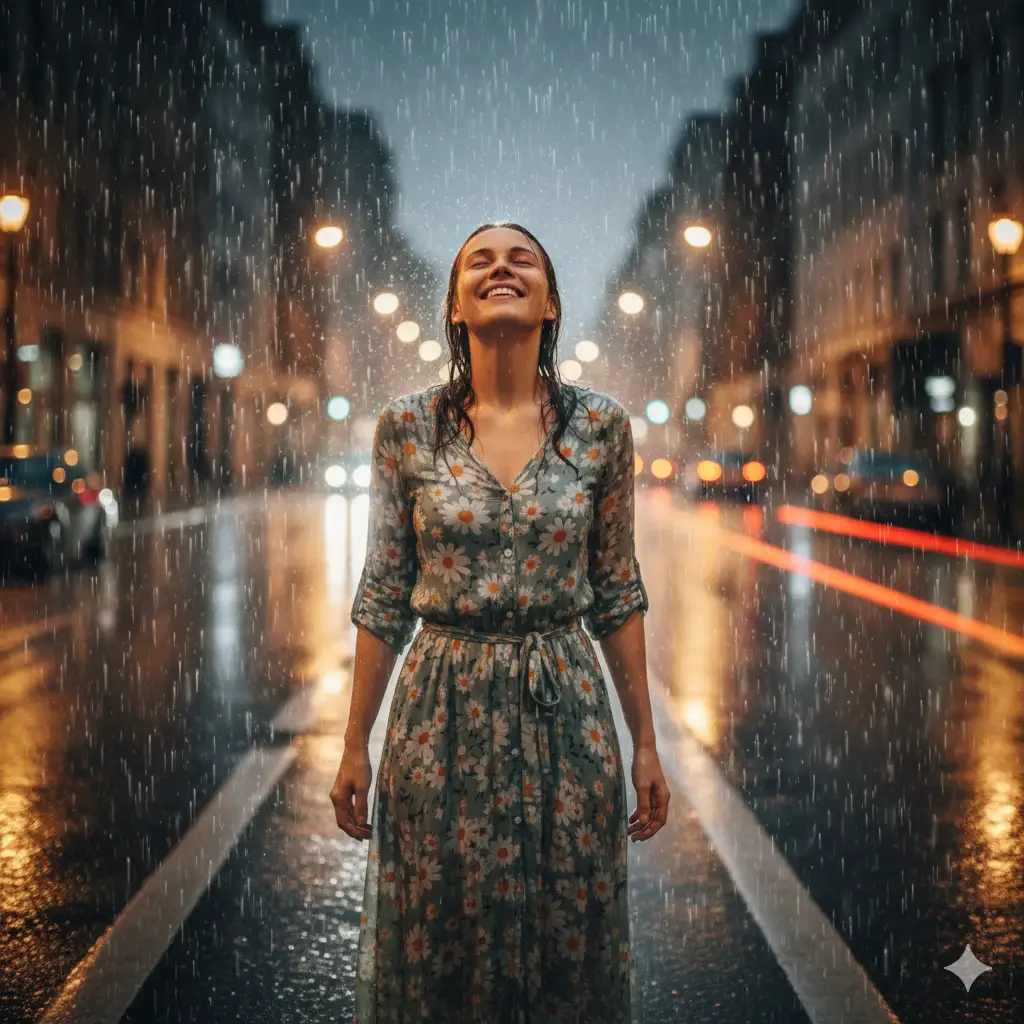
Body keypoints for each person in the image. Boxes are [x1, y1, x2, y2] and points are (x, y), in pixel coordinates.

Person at [330, 222, 670, 1023]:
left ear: (551, 303)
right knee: (439, 938)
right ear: (456, 303)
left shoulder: (601, 429)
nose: (501, 268)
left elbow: (617, 590)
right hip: (438, 721)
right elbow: (384, 594)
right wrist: (355, 743)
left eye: (522, 260)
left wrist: (645, 742)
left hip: (569, 721)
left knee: (564, 941)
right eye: (479, 260)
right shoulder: (406, 430)